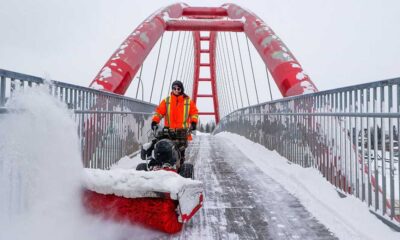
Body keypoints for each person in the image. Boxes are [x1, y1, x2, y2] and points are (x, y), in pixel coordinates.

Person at [151, 80, 199, 165]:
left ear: (182, 89)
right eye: (174, 88)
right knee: (165, 148)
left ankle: (179, 168)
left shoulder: (188, 101)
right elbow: (159, 112)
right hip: (168, 131)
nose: (176, 90)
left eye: (178, 89)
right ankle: (162, 164)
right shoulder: (166, 101)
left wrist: (193, 122)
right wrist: (155, 121)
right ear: (172, 89)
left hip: (182, 132)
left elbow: (194, 113)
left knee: (180, 152)